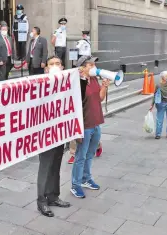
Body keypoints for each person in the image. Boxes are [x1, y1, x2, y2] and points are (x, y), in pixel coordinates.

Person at [37, 56, 71, 217]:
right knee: (45, 167)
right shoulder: (39, 85)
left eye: (58, 64)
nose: (55, 66)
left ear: (63, 67)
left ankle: (53, 196)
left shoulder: (67, 85)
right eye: (52, 64)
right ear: (46, 68)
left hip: (60, 132)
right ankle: (41, 200)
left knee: (56, 166)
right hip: (45, 135)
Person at [70, 56, 108, 198]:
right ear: (82, 68)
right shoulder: (78, 83)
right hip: (85, 125)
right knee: (80, 156)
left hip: (96, 122)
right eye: (90, 65)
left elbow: (99, 98)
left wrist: (104, 86)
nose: (94, 67)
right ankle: (76, 184)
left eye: (94, 64)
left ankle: (86, 178)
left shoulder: (94, 79)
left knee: (90, 154)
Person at [149, 71, 167, 140]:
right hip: (161, 104)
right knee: (159, 119)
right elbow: (155, 95)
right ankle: (158, 134)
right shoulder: (158, 85)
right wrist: (152, 105)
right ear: (162, 77)